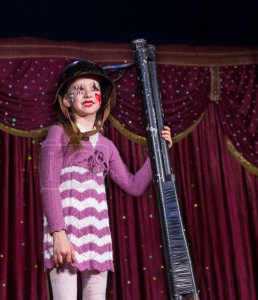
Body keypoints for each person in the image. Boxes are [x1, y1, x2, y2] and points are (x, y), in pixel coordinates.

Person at [39, 60, 172, 299]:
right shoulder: (58, 134)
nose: (88, 94)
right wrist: (58, 234)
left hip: (96, 235)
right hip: (65, 234)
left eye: (94, 88)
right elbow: (48, 186)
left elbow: (134, 185)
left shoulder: (106, 146)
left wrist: (158, 151)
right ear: (67, 99)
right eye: (79, 89)